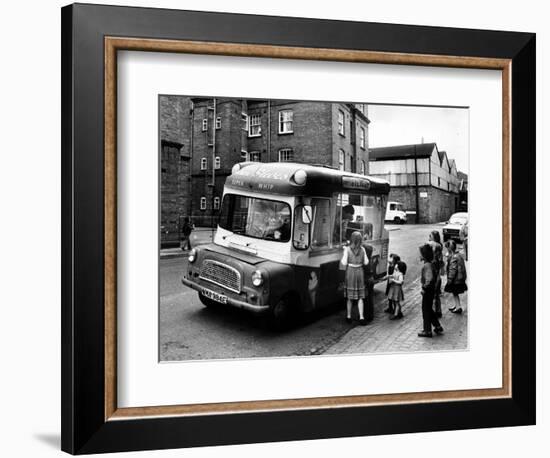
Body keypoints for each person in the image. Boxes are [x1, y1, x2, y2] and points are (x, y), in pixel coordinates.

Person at [340, 231, 369, 325]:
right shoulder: (363, 249)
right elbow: (366, 262)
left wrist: (344, 252)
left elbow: (344, 263)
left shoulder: (347, 249)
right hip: (360, 271)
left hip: (350, 272)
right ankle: (361, 317)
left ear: (351, 239)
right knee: (360, 296)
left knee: (349, 297)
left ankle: (348, 316)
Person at [418, 243, 444, 338]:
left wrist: (424, 288)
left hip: (428, 291)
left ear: (424, 255)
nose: (419, 255)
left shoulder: (427, 266)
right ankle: (437, 326)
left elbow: (429, 279)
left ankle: (427, 330)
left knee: (425, 311)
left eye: (420, 254)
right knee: (429, 309)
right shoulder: (430, 264)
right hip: (431, 290)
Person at [444, 240, 468, 314]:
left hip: (455, 280)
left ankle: (458, 307)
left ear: (449, 249)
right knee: (455, 293)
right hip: (459, 278)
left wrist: (449, 280)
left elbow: (452, 270)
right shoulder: (458, 255)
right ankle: (457, 305)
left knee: (455, 292)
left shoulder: (453, 257)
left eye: (447, 248)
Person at [428, 230, 444, 318]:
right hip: (437, 274)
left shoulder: (435, 247)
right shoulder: (439, 247)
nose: (429, 237)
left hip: (434, 274)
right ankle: (438, 311)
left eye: (430, 236)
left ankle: (433, 313)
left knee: (433, 295)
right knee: (436, 294)